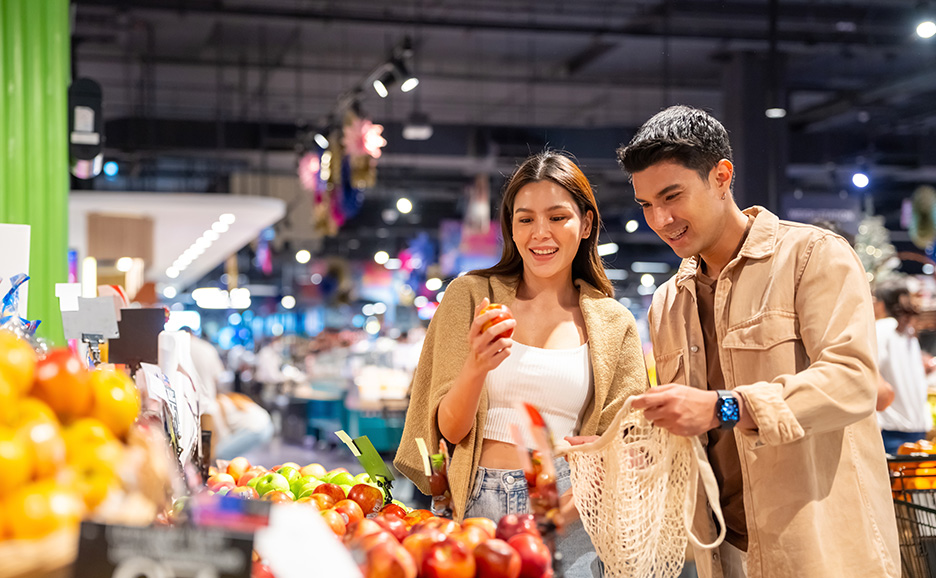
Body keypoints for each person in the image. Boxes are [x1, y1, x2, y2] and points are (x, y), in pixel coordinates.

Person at [613, 105, 898, 577]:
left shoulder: (811, 257)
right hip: (720, 550)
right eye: (646, 205)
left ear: (721, 176)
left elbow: (854, 383)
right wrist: (631, 446)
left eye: (672, 196)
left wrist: (725, 406)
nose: (660, 219)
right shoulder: (668, 302)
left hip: (815, 550)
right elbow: (694, 429)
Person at [395, 151, 647, 578]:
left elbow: (626, 441)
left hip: (569, 504)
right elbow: (448, 432)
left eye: (557, 217)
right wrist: (477, 365)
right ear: (510, 227)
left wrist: (560, 513)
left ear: (586, 224)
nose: (540, 233)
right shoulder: (470, 297)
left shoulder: (612, 323)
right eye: (525, 218)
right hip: (476, 497)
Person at [875, 278, 932, 454]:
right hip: (915, 428)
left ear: (881, 303)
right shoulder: (906, 331)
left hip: (892, 429)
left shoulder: (882, 328)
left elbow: (871, 371)